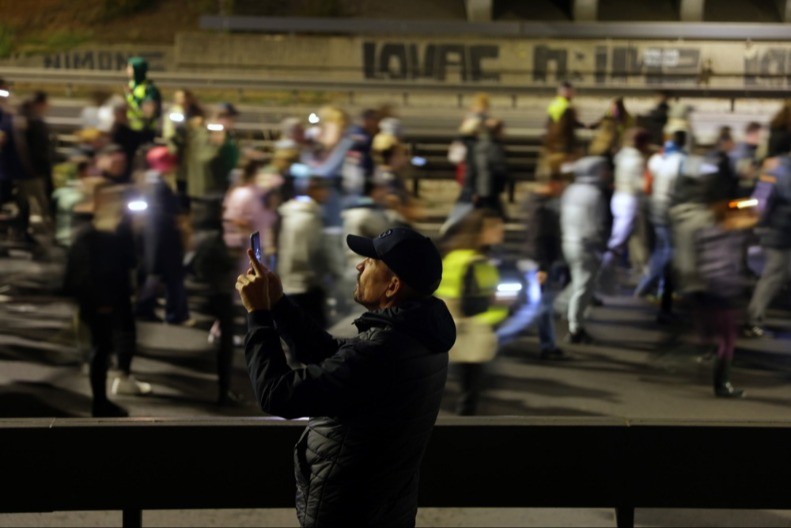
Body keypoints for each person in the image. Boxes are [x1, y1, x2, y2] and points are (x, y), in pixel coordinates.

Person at [235, 226, 455, 527]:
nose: (359, 266)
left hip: (350, 513)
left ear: (392, 286)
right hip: (386, 508)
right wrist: (278, 304)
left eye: (371, 262)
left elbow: (277, 394)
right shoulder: (419, 337)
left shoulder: (383, 350)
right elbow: (333, 355)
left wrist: (258, 315)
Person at [63, 183, 152, 417]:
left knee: (106, 347)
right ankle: (99, 403)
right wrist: (101, 303)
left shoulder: (114, 232)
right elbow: (83, 274)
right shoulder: (92, 237)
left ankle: (103, 399)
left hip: (112, 299)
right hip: (100, 303)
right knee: (100, 350)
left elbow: (131, 261)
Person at [436, 208, 509, 415]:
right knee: (472, 388)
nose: (501, 231)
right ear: (479, 232)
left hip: (450, 325)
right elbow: (480, 303)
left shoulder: (454, 256)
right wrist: (503, 306)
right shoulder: (479, 262)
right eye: (494, 227)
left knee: (464, 379)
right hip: (474, 330)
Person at [124, 56, 162, 145]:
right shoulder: (131, 85)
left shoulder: (149, 88)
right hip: (130, 128)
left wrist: (134, 97)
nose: (127, 70)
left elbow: (149, 112)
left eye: (130, 68)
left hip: (144, 130)